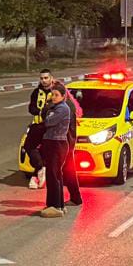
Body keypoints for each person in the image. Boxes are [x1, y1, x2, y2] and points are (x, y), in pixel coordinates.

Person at [38, 84, 83, 217]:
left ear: (64, 95)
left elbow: (48, 121)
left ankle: (57, 205)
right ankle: (60, 204)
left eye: (56, 94)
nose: (53, 97)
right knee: (58, 174)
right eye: (52, 94)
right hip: (60, 143)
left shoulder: (64, 108)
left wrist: (48, 109)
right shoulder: (60, 106)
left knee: (56, 175)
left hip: (60, 143)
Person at [25, 69, 55, 188]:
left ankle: (35, 177)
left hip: (50, 126)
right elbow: (31, 108)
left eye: (46, 78)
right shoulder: (36, 92)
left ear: (51, 78)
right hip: (37, 125)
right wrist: (42, 111)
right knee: (28, 146)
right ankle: (40, 168)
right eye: (42, 78)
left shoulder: (56, 91)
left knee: (44, 152)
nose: (43, 80)